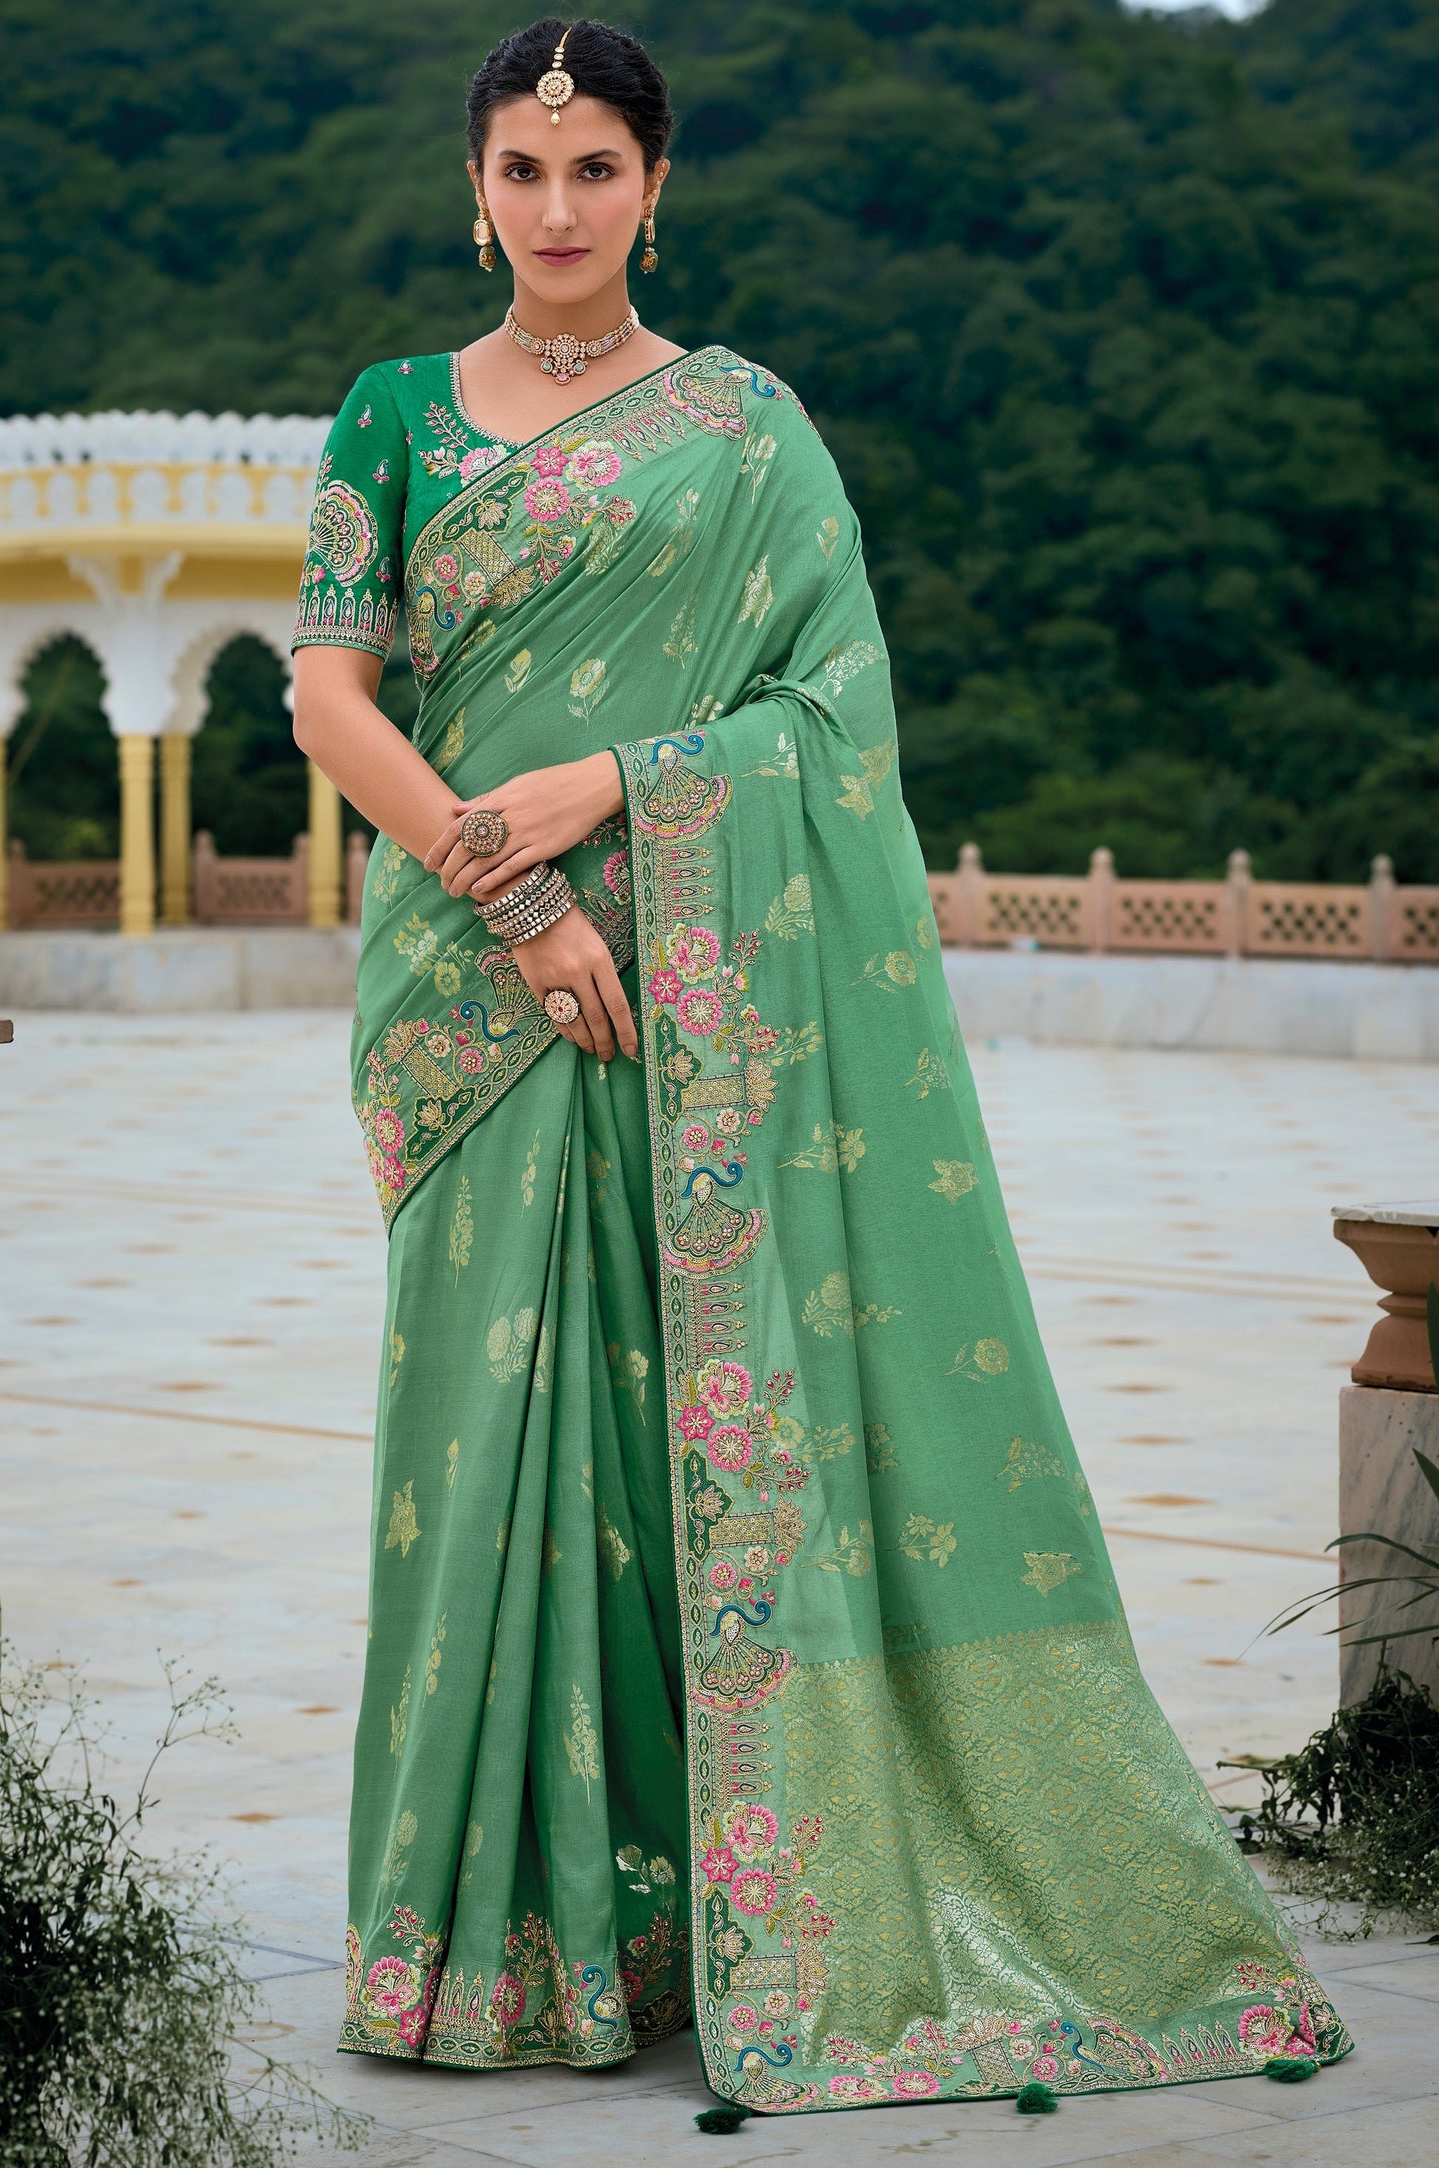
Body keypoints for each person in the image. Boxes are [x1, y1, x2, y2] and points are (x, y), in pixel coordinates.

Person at [290, 14, 1351, 2124]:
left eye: (598, 169)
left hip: (699, 992)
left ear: (656, 188)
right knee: (491, 1444)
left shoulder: (751, 429)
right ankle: (503, 1939)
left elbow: (828, 721)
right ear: (474, 189)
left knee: (679, 1432)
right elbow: (331, 702)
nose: (561, 206)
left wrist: (618, 779)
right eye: (524, 169)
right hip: (479, 1002)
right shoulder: (395, 414)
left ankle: (724, 1908)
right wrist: (523, 897)